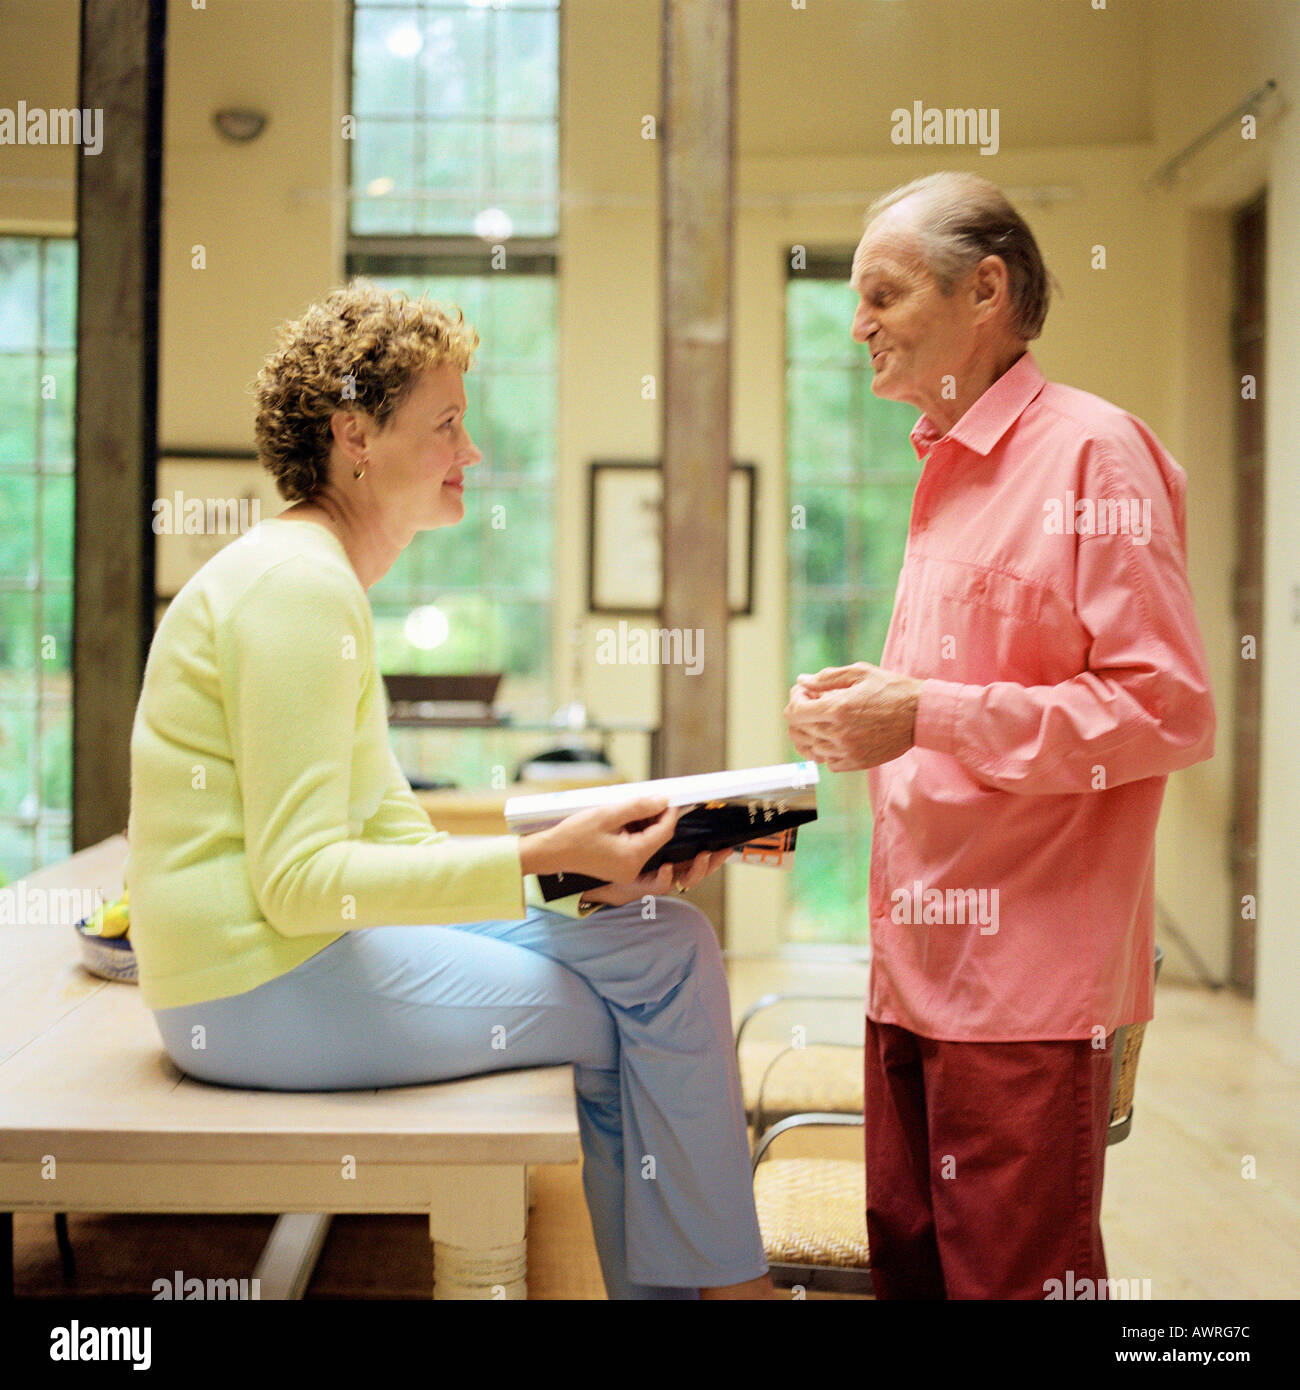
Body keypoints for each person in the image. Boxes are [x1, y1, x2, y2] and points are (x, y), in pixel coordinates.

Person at [126, 281, 773, 1301]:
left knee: (664, 938)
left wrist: (595, 860)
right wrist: (543, 857)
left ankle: (703, 1291)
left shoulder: (318, 578)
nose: (471, 452)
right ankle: (720, 1295)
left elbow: (392, 835)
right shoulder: (299, 588)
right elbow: (299, 884)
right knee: (625, 1011)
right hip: (252, 985)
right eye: (446, 423)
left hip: (295, 958)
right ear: (355, 434)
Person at [784, 172, 1215, 1300]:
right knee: (913, 1274)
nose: (857, 324)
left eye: (881, 294)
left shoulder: (1093, 456)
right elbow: (977, 694)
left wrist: (922, 710)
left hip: (1024, 994)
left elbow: (1164, 709)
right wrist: (871, 706)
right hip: (911, 975)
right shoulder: (946, 463)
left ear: (984, 290)